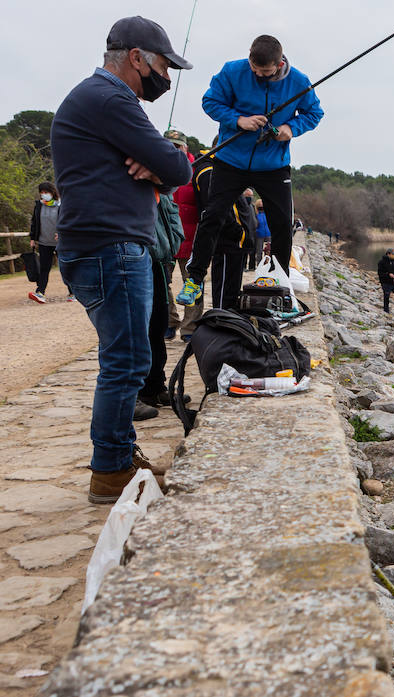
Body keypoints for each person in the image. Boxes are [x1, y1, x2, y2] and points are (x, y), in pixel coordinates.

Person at [51, 15, 193, 503]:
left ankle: (114, 459)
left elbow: (167, 165)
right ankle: (111, 468)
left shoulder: (97, 99)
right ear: (136, 58)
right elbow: (178, 167)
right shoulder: (111, 98)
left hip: (99, 246)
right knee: (127, 360)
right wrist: (166, 161)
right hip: (110, 248)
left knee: (126, 357)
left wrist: (158, 162)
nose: (166, 78)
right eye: (163, 66)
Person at [176, 34, 323, 305]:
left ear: (279, 64)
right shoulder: (232, 71)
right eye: (254, 69)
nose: (258, 75)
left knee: (281, 224)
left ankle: (280, 282)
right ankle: (195, 279)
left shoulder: (299, 82)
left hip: (274, 164)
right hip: (231, 160)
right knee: (212, 215)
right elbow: (210, 102)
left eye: (264, 72)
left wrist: (290, 129)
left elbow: (314, 113)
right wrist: (238, 120)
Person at [137, 136, 186, 418]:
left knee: (158, 326)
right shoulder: (139, 184)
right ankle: (138, 391)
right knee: (139, 330)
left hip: (161, 263)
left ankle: (156, 386)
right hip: (142, 261)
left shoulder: (165, 191)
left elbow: (172, 223)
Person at [169, 132, 202, 339]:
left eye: (178, 146)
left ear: (186, 149)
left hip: (192, 240)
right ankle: (169, 321)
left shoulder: (197, 171)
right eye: (169, 146)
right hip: (165, 240)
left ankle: (191, 327)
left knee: (192, 283)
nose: (174, 150)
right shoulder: (156, 169)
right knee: (161, 284)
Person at [27, 182, 71, 303]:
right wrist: (32, 238)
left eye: (46, 192)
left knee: (65, 267)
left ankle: (72, 292)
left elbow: (67, 221)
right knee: (44, 268)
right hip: (43, 242)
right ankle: (40, 292)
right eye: (41, 193)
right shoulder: (39, 206)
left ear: (52, 192)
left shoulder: (61, 205)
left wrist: (62, 232)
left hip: (60, 242)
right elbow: (34, 222)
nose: (44, 195)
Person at [378, 248, 394, 314]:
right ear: (388, 254)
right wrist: (388, 274)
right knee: (386, 296)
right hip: (385, 282)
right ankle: (386, 311)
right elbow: (380, 273)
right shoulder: (381, 262)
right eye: (393, 254)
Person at [252, 197, 270, 268]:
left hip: (268, 233)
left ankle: (267, 264)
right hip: (259, 234)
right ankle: (259, 265)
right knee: (259, 251)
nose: (261, 206)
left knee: (268, 250)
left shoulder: (267, 213)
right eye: (259, 204)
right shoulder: (256, 214)